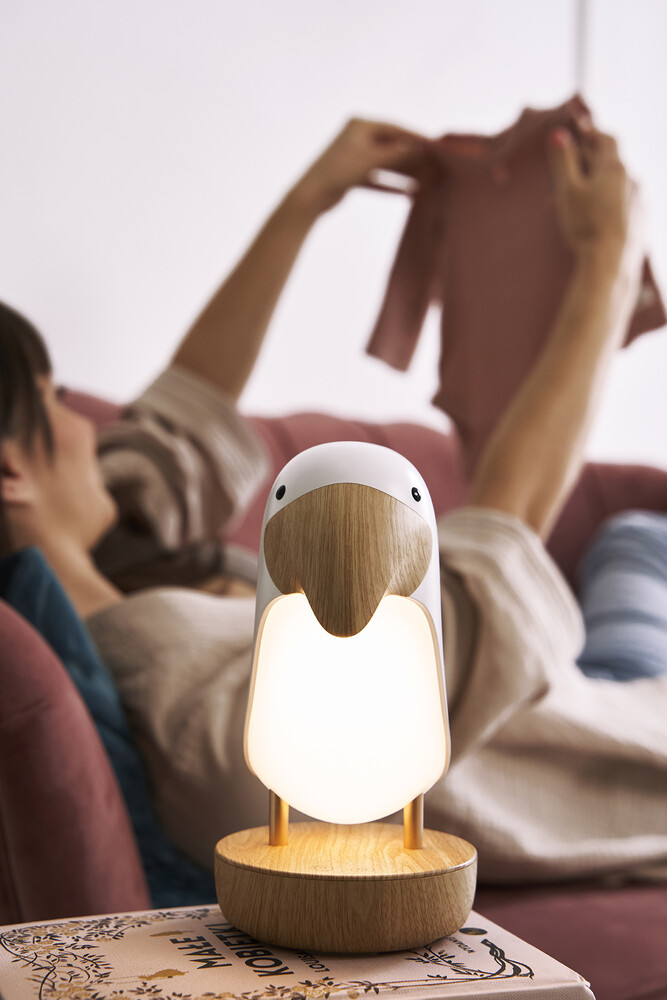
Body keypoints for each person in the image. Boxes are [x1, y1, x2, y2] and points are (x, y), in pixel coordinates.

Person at [1, 118, 666, 885]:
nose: (88, 428)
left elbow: (177, 425)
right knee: (642, 540)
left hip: (583, 680)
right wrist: (606, 262)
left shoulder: (101, 579)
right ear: (11, 474)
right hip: (601, 730)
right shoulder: (168, 689)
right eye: (53, 401)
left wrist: (312, 196)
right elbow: (486, 567)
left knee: (633, 534)